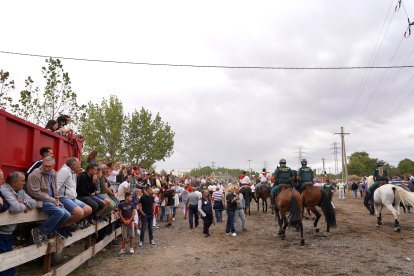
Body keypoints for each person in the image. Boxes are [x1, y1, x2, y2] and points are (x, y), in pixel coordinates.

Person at [27, 156, 71, 246]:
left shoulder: (53, 173)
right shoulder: (35, 174)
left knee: (67, 214)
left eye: (49, 166)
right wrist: (52, 199)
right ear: (42, 164)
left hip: (51, 200)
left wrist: (57, 200)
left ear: (53, 166)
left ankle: (45, 233)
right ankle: (39, 231)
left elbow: (55, 189)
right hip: (40, 200)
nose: (47, 168)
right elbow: (34, 192)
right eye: (45, 166)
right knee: (59, 212)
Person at [0, 172, 37, 276]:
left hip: (9, 232)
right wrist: (22, 205)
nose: (24, 183)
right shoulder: (4, 190)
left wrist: (23, 202)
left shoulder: (20, 191)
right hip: (1, 232)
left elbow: (33, 202)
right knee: (3, 258)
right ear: (14, 182)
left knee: (9, 257)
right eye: (22, 180)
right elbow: (14, 208)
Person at [57, 157, 93, 234]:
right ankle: (60, 227)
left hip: (72, 198)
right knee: (79, 213)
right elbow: (56, 186)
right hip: (63, 197)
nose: (80, 165)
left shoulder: (73, 172)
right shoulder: (64, 171)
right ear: (72, 164)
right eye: (78, 164)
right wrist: (55, 199)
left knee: (88, 210)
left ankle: (67, 225)